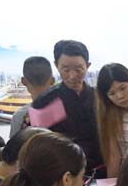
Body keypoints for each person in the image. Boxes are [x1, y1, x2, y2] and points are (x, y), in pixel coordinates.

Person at [31, 40, 103, 173]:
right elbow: (38, 143)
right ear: (56, 65)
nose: (72, 76)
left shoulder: (100, 98)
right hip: (62, 172)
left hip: (99, 169)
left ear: (87, 66)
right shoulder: (44, 102)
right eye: (65, 69)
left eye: (78, 69)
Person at [10, 56, 55, 138]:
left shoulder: (19, 117)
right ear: (52, 81)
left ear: (23, 81)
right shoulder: (65, 111)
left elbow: (13, 148)